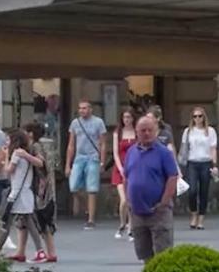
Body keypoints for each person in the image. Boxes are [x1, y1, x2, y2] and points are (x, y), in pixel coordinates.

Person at [124, 115, 179, 262]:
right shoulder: (131, 152)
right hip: (137, 213)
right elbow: (126, 178)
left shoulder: (164, 153)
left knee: (164, 254)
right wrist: (128, 201)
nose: (147, 133)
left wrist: (164, 202)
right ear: (137, 132)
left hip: (158, 212)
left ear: (156, 131)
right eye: (143, 130)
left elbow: (172, 178)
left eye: (150, 130)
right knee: (144, 254)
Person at [0, 130, 46, 262]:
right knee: (28, 221)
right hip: (25, 192)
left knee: (6, 222)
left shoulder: (17, 153)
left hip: (17, 193)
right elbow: (39, 164)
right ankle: (40, 251)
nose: (6, 142)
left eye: (8, 140)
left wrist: (6, 156)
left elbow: (8, 171)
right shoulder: (25, 152)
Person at [65, 100, 107, 230]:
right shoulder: (75, 123)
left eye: (84, 108)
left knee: (91, 188)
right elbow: (71, 144)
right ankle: (88, 209)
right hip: (79, 157)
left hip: (93, 157)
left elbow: (103, 143)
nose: (82, 110)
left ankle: (91, 220)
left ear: (90, 109)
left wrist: (102, 161)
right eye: (80, 108)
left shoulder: (98, 122)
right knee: (73, 187)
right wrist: (68, 164)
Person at [24, 121, 58, 262]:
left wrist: (26, 156)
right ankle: (51, 252)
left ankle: (50, 252)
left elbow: (40, 162)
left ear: (31, 134)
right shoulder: (41, 145)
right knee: (45, 221)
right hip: (45, 187)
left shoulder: (35, 146)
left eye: (26, 131)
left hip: (41, 189)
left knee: (43, 220)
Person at [180, 108, 219, 230]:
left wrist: (214, 164)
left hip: (205, 163)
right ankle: (193, 214)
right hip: (192, 163)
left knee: (204, 191)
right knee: (192, 190)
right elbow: (184, 148)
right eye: (195, 116)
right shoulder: (188, 131)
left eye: (200, 116)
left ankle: (201, 218)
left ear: (204, 117)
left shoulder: (210, 131)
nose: (197, 119)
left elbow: (213, 149)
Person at [110, 108, 138, 239]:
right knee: (124, 200)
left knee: (132, 200)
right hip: (120, 169)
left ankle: (131, 228)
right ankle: (122, 223)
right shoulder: (118, 132)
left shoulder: (137, 132)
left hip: (134, 168)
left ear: (133, 118)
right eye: (124, 117)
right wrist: (120, 168)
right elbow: (115, 152)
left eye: (129, 117)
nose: (126, 120)